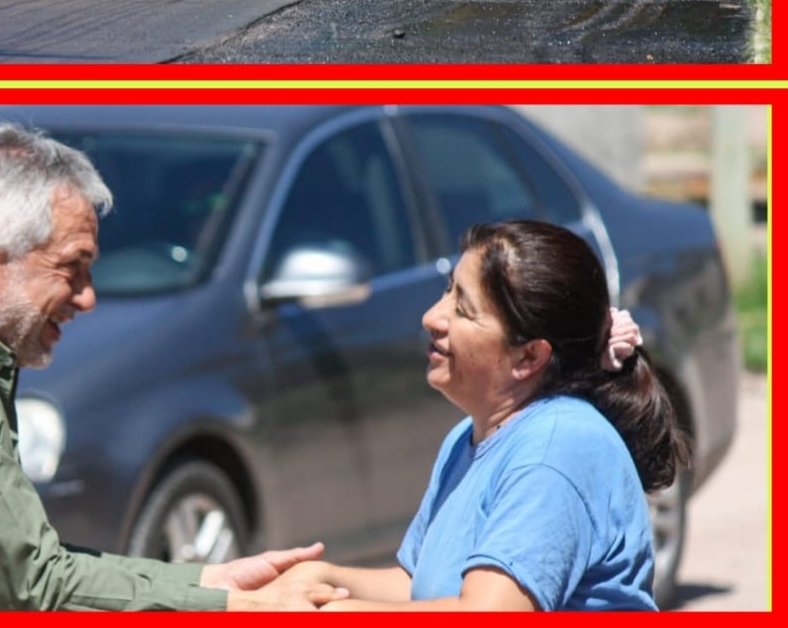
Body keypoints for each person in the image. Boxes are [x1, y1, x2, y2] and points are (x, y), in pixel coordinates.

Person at [0, 123, 346, 611]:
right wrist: (230, 605)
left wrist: (208, 578)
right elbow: (38, 585)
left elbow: (25, 562)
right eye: (72, 267)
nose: (87, 297)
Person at [280, 219, 685, 610]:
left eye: (463, 309)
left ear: (528, 356)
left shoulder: (557, 449)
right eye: (447, 291)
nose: (432, 318)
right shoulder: (468, 437)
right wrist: (321, 580)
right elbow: (417, 586)